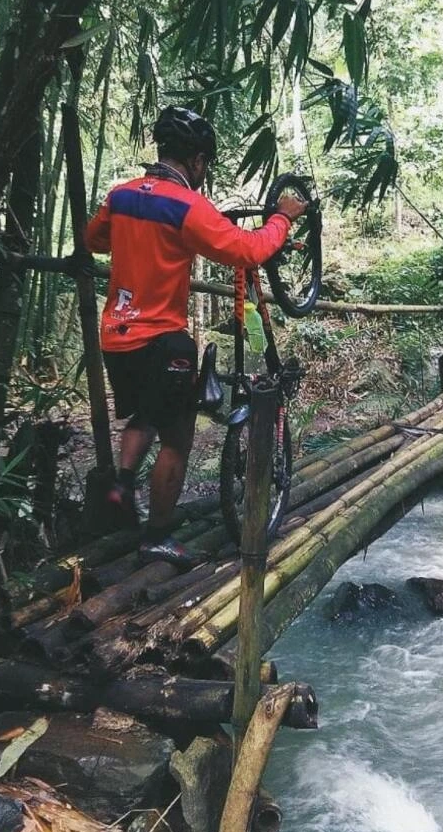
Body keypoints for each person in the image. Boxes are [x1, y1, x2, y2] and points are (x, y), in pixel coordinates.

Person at [85, 106, 308, 569]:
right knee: (177, 437)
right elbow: (248, 250)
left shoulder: (122, 195)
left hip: (116, 336)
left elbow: (94, 240)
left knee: (145, 413)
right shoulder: (188, 206)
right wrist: (283, 219)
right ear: (199, 161)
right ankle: (159, 537)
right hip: (163, 339)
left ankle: (120, 485)